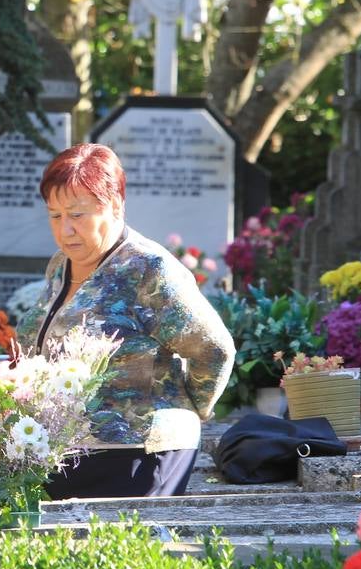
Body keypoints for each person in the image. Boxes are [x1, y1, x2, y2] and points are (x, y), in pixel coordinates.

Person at [16, 143, 234, 499]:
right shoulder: (60, 265)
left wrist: (186, 410)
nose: (65, 229)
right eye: (55, 216)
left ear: (115, 205)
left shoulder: (149, 268)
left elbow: (214, 349)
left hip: (139, 455)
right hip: (66, 452)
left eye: (77, 214)